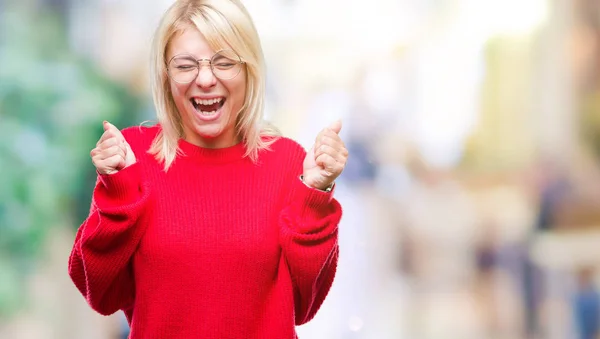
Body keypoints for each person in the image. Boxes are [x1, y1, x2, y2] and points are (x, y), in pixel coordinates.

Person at [67, 1, 348, 338]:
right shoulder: (135, 157)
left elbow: (305, 305)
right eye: (185, 65)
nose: (204, 79)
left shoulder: (288, 163)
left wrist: (313, 197)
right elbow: (100, 292)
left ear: (249, 69)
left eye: (224, 62)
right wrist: (120, 192)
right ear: (165, 74)